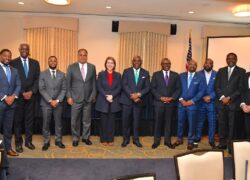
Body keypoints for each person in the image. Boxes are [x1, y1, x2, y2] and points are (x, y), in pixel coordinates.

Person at [10, 43, 40, 153]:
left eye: (26, 49)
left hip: (31, 97)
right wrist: (22, 92)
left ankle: (28, 142)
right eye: (22, 48)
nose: (24, 50)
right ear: (19, 50)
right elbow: (13, 80)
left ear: (29, 50)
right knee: (18, 121)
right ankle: (18, 143)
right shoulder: (13, 62)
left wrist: (32, 91)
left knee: (29, 120)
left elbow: (37, 79)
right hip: (18, 96)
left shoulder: (35, 63)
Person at [215, 53, 245, 152]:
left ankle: (231, 146)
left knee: (232, 126)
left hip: (233, 104)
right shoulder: (221, 71)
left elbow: (241, 88)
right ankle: (222, 143)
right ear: (226, 60)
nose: (230, 60)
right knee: (222, 124)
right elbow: (217, 86)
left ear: (236, 59)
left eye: (233, 58)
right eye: (228, 58)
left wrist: (230, 98)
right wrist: (223, 97)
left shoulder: (241, 71)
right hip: (221, 103)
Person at [67, 48, 96, 147]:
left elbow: (93, 84)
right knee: (74, 120)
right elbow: (68, 84)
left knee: (87, 120)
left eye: (84, 55)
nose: (82, 57)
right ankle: (75, 138)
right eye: (81, 55)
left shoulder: (92, 67)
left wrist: (93, 95)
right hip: (75, 99)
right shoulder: (71, 67)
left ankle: (85, 137)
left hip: (88, 99)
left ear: (87, 56)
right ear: (78, 56)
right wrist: (69, 97)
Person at [120, 55, 150, 148]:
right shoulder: (126, 71)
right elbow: (124, 85)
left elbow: (148, 87)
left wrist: (139, 94)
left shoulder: (145, 72)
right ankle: (126, 139)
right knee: (126, 121)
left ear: (141, 62)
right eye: (135, 61)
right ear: (132, 62)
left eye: (138, 61)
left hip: (139, 101)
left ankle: (136, 140)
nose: (137, 62)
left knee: (136, 122)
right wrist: (132, 95)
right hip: (127, 101)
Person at [174, 60, 204, 150]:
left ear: (196, 67)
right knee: (180, 122)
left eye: (194, 65)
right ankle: (179, 139)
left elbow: (201, 91)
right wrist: (181, 99)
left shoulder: (200, 77)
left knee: (192, 123)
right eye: (190, 64)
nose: (192, 66)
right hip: (181, 103)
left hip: (193, 105)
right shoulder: (181, 76)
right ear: (187, 65)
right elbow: (176, 89)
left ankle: (190, 141)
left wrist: (192, 101)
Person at [151, 58, 181, 149]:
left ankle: (167, 141)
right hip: (158, 103)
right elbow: (153, 88)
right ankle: (156, 141)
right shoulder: (156, 75)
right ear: (161, 64)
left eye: (168, 63)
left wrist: (172, 98)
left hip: (170, 103)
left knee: (168, 123)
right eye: (164, 63)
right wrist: (160, 97)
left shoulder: (175, 75)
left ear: (170, 64)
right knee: (157, 123)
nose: (166, 65)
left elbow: (178, 89)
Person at [39, 56, 66, 151]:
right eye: (50, 60)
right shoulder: (42, 74)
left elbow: (64, 89)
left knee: (58, 123)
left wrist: (57, 100)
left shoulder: (62, 74)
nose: (53, 62)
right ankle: (46, 141)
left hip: (58, 103)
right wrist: (50, 100)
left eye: (54, 60)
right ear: (48, 62)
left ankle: (58, 140)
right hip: (46, 103)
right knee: (46, 123)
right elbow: (41, 89)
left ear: (57, 62)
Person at [95, 57, 122, 146]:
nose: (110, 64)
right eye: (108, 62)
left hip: (114, 101)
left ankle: (110, 139)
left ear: (114, 65)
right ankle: (103, 139)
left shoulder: (118, 75)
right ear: (105, 64)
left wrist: (112, 95)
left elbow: (119, 87)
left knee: (111, 122)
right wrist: (106, 96)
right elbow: (99, 86)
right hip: (103, 100)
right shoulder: (101, 74)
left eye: (112, 63)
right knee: (103, 121)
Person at [0, 49, 21, 156]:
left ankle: (8, 149)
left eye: (9, 56)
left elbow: (18, 85)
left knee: (8, 128)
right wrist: (4, 97)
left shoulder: (15, 70)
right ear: (0, 56)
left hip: (12, 104)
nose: (7, 58)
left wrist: (13, 97)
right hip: (1, 103)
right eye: (5, 56)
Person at [194, 59, 217, 148]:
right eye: (206, 63)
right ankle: (197, 138)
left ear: (212, 65)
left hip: (212, 102)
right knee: (199, 121)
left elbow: (218, 88)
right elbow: (195, 88)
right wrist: (203, 97)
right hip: (200, 102)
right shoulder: (198, 74)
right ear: (204, 64)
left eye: (209, 63)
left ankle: (211, 140)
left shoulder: (217, 74)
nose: (207, 65)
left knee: (212, 122)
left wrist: (210, 97)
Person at [240, 71, 250, 139]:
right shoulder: (245, 75)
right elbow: (241, 91)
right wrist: (243, 104)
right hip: (246, 108)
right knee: (247, 130)